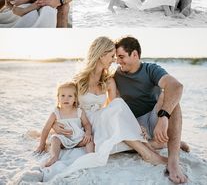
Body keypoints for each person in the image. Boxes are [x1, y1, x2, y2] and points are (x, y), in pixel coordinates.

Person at [48, 36, 167, 182]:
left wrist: (135, 125)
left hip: (100, 120)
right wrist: (54, 124)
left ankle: (148, 150)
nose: (114, 60)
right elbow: (63, 104)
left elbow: (117, 109)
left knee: (117, 104)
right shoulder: (79, 80)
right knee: (116, 110)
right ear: (101, 54)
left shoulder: (109, 80)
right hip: (85, 123)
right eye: (111, 56)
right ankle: (148, 152)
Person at [114, 36, 188, 184]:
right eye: (116, 57)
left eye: (121, 56)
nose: (117, 61)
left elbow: (176, 86)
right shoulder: (116, 76)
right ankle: (171, 141)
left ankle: (173, 161)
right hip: (135, 126)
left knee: (172, 100)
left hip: (155, 120)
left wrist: (163, 116)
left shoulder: (150, 69)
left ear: (135, 54)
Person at [35, 82, 94, 167]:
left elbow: (86, 124)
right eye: (62, 96)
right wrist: (41, 144)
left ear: (75, 99)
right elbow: (46, 129)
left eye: (70, 96)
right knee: (55, 139)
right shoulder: (56, 113)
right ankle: (54, 157)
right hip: (63, 140)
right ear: (58, 98)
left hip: (77, 138)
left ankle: (90, 156)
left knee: (89, 140)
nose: (66, 99)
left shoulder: (79, 111)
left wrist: (88, 133)